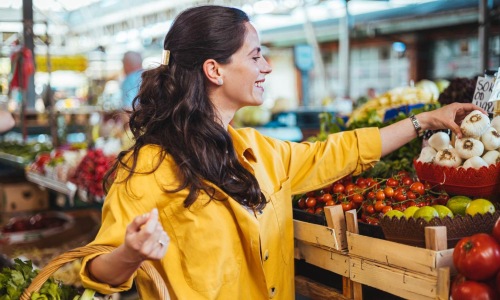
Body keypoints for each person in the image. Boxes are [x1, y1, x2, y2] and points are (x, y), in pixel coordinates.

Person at [79, 5, 485, 300]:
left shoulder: (255, 151)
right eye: (255, 55)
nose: (267, 66)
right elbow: (95, 269)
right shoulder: (148, 169)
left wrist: (425, 121)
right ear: (214, 70)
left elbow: (338, 151)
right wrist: (130, 252)